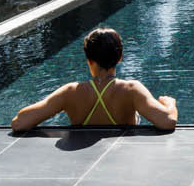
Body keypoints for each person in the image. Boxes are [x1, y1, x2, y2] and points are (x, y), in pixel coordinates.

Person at [11, 26, 178, 131]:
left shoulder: (70, 92)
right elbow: (168, 121)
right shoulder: (131, 90)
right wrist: (170, 103)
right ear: (120, 57)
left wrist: (61, 104)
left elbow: (19, 123)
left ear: (89, 60)